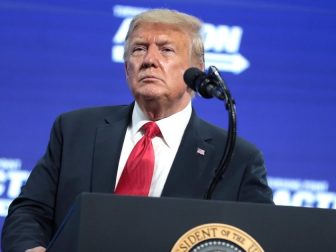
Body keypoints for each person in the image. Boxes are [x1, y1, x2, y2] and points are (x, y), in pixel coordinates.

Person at [1, 8, 273, 252]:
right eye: (139, 49)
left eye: (166, 50)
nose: (149, 60)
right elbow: (29, 212)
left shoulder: (237, 158)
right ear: (126, 68)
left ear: (197, 72)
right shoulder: (74, 130)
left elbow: (261, 239)